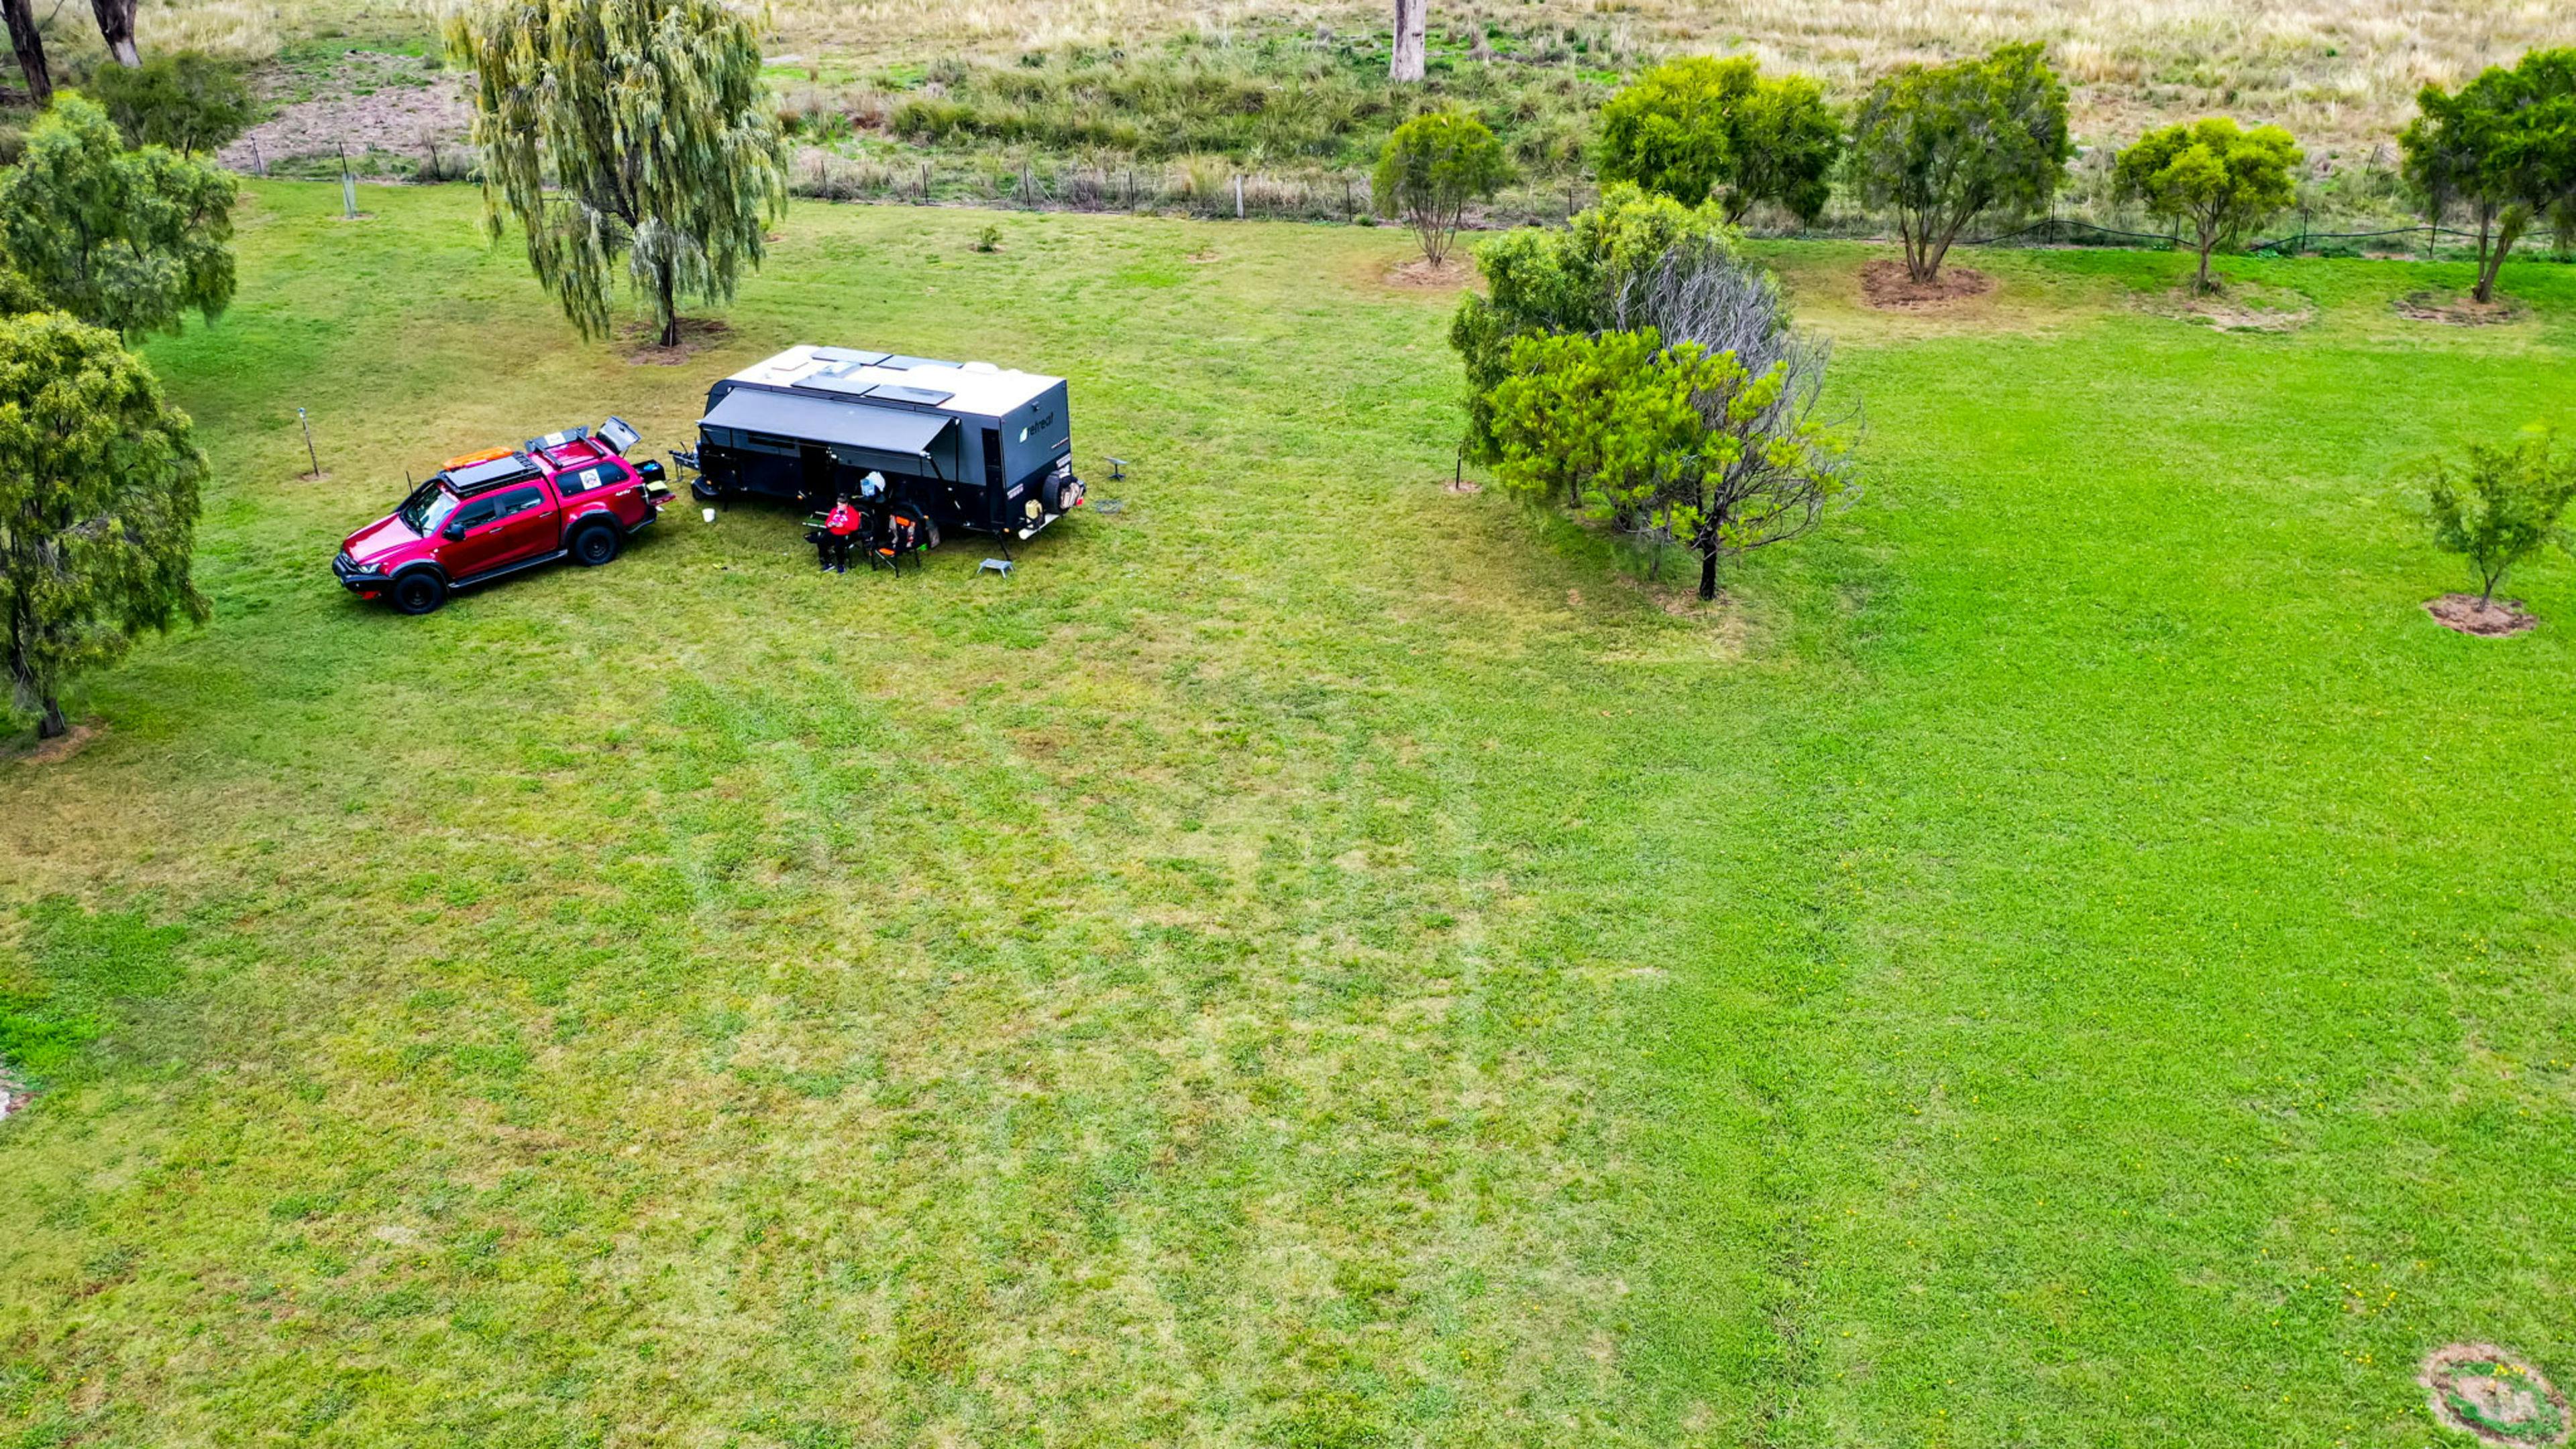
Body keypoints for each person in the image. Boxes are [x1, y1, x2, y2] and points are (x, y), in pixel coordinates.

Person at [823, 492, 861, 574]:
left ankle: (841, 564)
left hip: (845, 534)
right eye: (838, 505)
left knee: (838, 547)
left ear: (846, 504)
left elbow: (855, 527)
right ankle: (828, 562)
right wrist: (830, 524)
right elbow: (827, 523)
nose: (839, 507)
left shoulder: (853, 513)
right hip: (834, 531)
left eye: (841, 505)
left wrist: (844, 525)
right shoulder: (834, 511)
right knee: (821, 541)